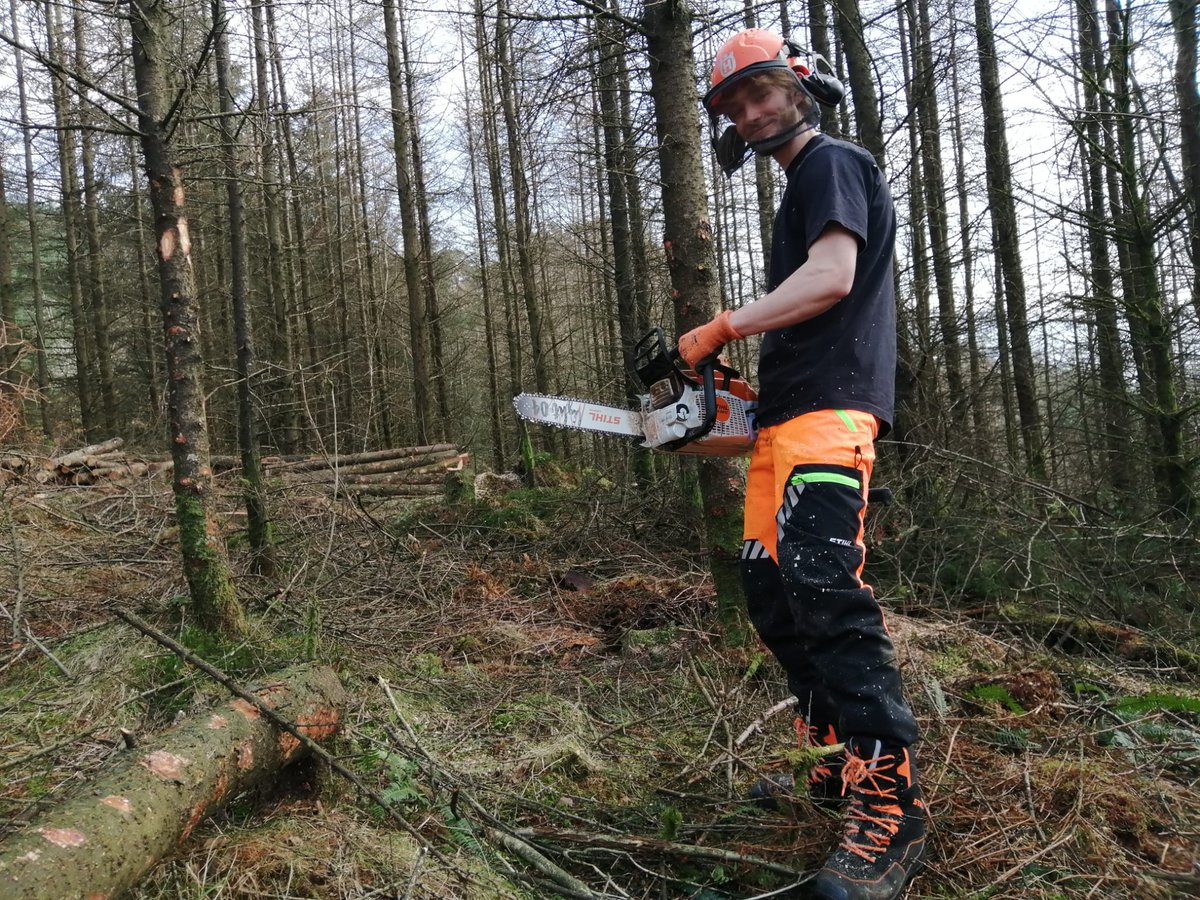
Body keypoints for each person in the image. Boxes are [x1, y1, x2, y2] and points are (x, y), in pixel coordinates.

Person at [678, 28, 927, 900]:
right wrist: (744, 398)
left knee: (826, 590)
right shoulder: (793, 188)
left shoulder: (831, 163)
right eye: (735, 104)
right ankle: (830, 765)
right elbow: (809, 305)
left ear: (799, 87)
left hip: (831, 416)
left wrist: (727, 324)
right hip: (785, 424)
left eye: (763, 92)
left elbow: (829, 279)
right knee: (775, 598)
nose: (751, 112)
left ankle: (891, 805)